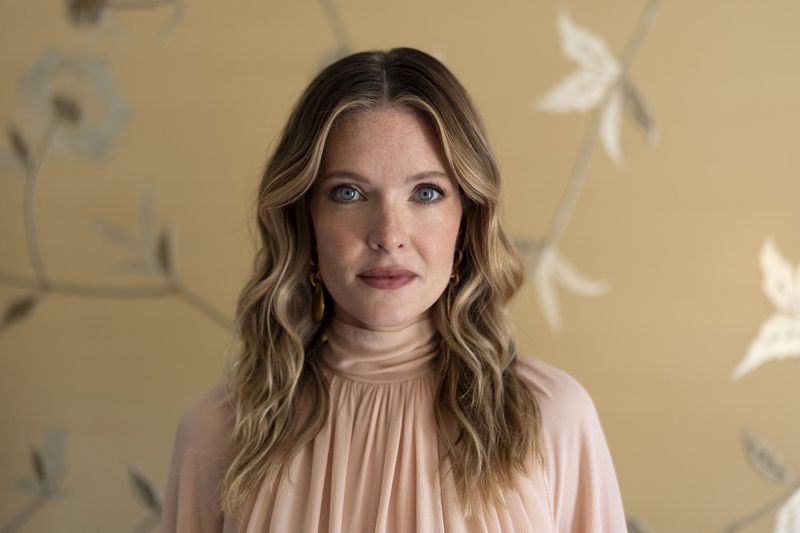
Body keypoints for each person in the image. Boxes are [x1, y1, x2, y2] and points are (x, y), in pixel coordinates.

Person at [160, 47, 626, 533]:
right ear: (307, 220)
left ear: (467, 220)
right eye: (349, 193)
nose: (388, 234)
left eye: (426, 192)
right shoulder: (218, 431)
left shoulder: (551, 418)